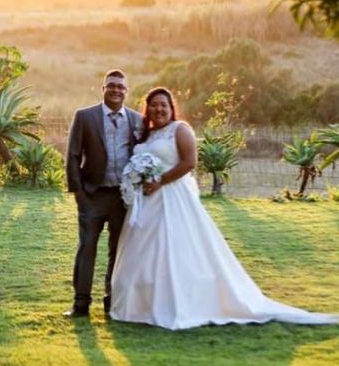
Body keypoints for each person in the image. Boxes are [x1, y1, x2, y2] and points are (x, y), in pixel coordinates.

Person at [110, 87, 338, 329]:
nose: (159, 108)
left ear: (171, 107)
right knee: (144, 252)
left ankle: (177, 303)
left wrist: (160, 181)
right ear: (148, 109)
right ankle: (141, 306)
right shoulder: (146, 136)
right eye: (154, 104)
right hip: (146, 204)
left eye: (163, 104)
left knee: (174, 250)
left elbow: (189, 162)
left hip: (172, 199)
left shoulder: (180, 129)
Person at [65, 69, 144, 317]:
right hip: (92, 196)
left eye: (121, 86)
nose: (116, 90)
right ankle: (80, 304)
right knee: (87, 247)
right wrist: (78, 192)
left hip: (122, 198)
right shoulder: (85, 117)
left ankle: (112, 303)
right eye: (112, 85)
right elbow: (73, 155)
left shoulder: (136, 120)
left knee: (118, 251)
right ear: (103, 88)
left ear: (126, 91)